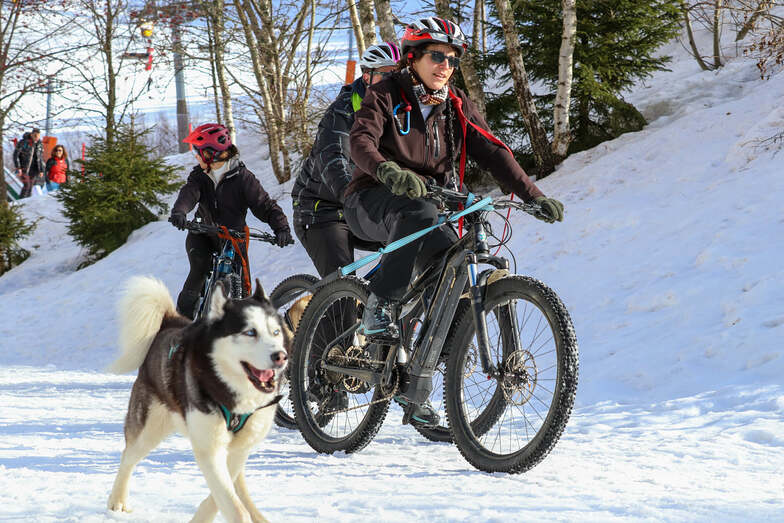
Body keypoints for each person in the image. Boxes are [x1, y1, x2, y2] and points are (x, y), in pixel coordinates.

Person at [343, 17, 565, 426]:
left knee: (451, 271)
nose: (444, 64)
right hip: (372, 198)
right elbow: (361, 141)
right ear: (412, 58)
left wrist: (534, 196)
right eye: (435, 56)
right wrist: (386, 171)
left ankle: (415, 386)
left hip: (429, 206)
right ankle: (379, 306)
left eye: (451, 58)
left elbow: (493, 151)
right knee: (419, 213)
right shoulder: (385, 93)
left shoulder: (455, 104)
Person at [292, 42, 401, 278]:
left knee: (412, 245)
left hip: (364, 205)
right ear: (367, 76)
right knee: (343, 292)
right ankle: (340, 309)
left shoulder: (398, 113)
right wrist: (353, 197)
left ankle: (375, 305)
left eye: (398, 75)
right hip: (322, 210)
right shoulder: (341, 112)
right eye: (386, 74)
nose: (393, 82)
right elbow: (333, 159)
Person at [168, 123, 294, 319]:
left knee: (241, 286)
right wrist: (180, 212)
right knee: (199, 270)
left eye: (198, 152)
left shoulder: (243, 178)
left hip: (234, 237)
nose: (195, 156)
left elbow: (265, 205)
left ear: (210, 155)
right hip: (202, 233)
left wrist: (282, 228)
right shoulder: (199, 176)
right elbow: (189, 194)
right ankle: (181, 324)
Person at [13, 128, 45, 198]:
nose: (36, 137)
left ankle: (27, 202)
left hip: (34, 169)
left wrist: (41, 170)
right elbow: (16, 155)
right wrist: (18, 167)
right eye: (35, 135)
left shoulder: (40, 144)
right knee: (26, 185)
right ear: (31, 134)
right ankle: (21, 201)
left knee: (30, 186)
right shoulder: (23, 142)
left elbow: (40, 158)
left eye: (38, 136)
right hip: (24, 167)